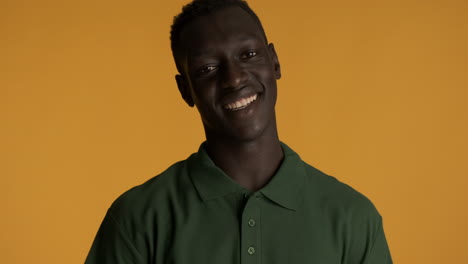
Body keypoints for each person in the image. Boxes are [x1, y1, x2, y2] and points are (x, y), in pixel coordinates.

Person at [85, 0, 393, 263]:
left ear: (274, 62)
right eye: (207, 69)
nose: (233, 79)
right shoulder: (138, 218)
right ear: (185, 91)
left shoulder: (353, 218)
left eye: (248, 55)